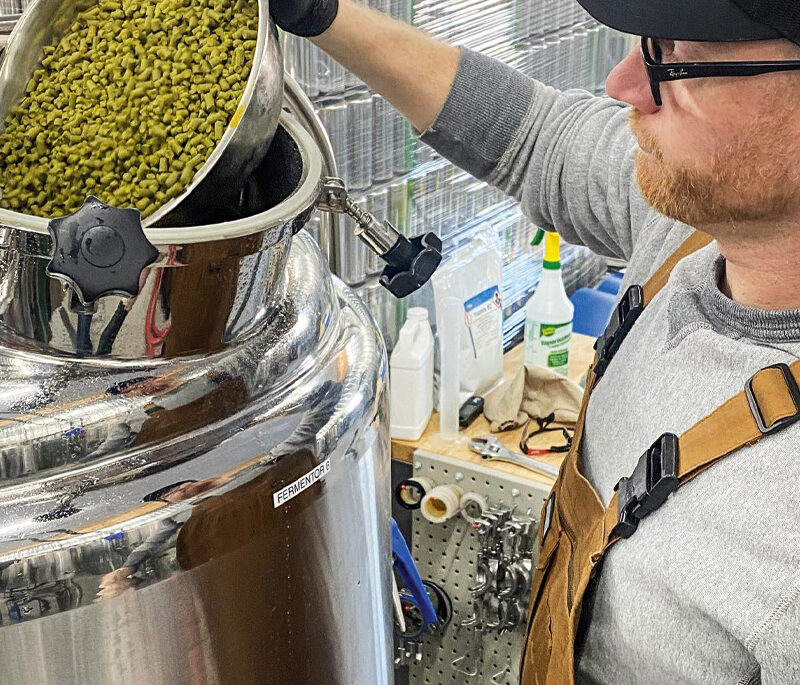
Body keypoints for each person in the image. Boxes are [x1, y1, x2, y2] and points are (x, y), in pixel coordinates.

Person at [271, 0, 800, 683]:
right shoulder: (695, 224)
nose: (624, 85)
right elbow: (530, 132)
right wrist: (321, 14)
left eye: (679, 57)